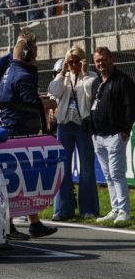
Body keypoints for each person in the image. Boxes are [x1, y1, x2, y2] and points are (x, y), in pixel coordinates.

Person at [0, 31, 58, 239]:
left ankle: (34, 223)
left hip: (16, 130)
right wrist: (48, 103)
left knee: (25, 180)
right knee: (15, 181)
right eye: (35, 51)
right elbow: (29, 103)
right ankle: (9, 225)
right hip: (19, 133)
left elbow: (24, 98)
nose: (37, 56)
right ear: (26, 53)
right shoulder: (22, 74)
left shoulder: (12, 70)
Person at [47, 46, 99, 220]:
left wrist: (83, 74)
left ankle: (88, 209)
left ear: (83, 61)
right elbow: (53, 92)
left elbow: (90, 94)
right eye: (71, 62)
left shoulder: (91, 76)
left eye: (77, 61)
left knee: (87, 168)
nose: (74, 65)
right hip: (64, 125)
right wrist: (62, 73)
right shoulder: (63, 77)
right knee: (62, 167)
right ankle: (62, 210)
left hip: (82, 125)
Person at [90, 47, 135, 224]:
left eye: (103, 59)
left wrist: (125, 130)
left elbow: (131, 106)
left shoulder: (123, 80)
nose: (101, 63)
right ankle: (115, 208)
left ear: (111, 59)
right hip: (98, 135)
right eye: (98, 61)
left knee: (116, 173)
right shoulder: (96, 82)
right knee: (108, 175)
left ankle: (125, 211)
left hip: (116, 134)